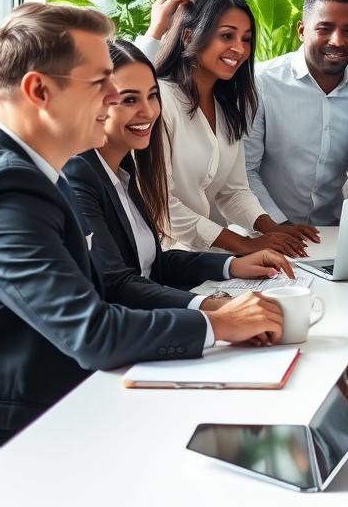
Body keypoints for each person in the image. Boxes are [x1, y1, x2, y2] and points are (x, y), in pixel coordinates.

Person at [0, 3, 283, 463]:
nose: (111, 98)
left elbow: (107, 286)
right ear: (38, 90)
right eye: (99, 83)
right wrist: (219, 322)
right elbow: (92, 331)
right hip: (10, 443)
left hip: (63, 405)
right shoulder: (2, 189)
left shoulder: (39, 171)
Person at [65, 40, 295, 307]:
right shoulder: (79, 175)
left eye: (152, 95)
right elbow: (117, 285)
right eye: (129, 99)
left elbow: (155, 264)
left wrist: (233, 265)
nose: (148, 111)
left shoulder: (127, 172)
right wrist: (211, 306)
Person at [151, 0, 314, 258]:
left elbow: (234, 191)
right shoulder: (160, 100)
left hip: (199, 256)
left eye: (246, 39)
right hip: (159, 257)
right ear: (190, 36)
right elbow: (163, 206)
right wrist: (244, 244)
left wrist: (272, 229)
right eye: (227, 35)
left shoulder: (226, 107)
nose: (239, 48)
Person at [244, 0, 348, 230]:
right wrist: (279, 226)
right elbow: (245, 172)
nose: (337, 40)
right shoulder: (261, 83)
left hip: (332, 233)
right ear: (302, 30)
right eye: (325, 28)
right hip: (264, 231)